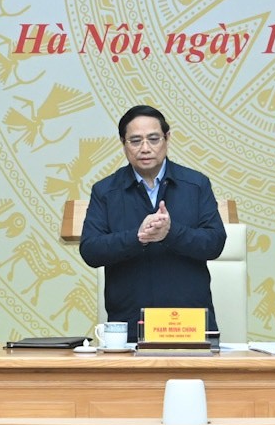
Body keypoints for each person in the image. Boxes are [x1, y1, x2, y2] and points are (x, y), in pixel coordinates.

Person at [78, 105, 227, 334]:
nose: (145, 148)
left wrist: (171, 232)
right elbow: (90, 250)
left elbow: (215, 242)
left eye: (154, 139)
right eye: (135, 141)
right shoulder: (105, 191)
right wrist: (137, 237)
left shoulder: (196, 184)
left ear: (167, 138)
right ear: (123, 143)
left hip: (188, 322)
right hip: (130, 323)